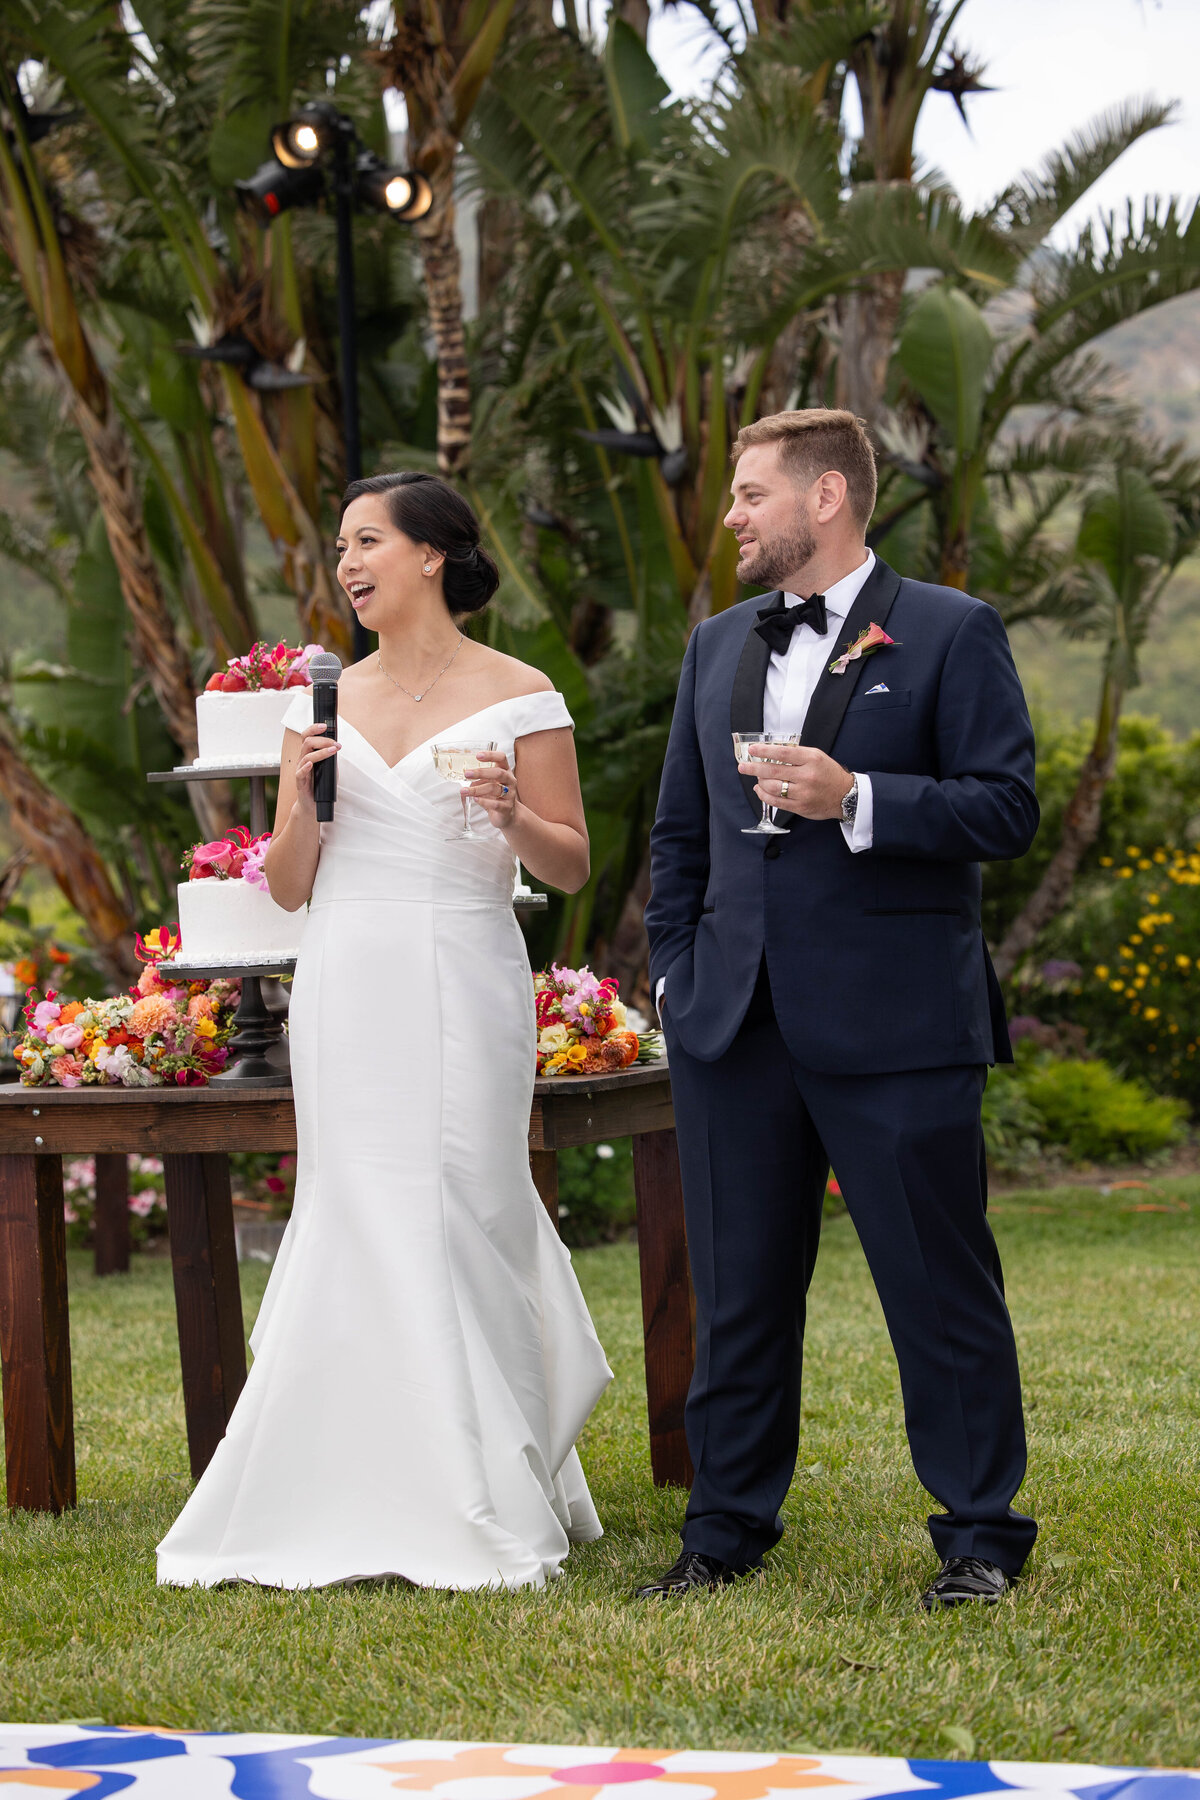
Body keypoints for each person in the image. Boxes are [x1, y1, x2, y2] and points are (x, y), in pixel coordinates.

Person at [157, 472, 611, 1591]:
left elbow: (570, 862)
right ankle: (345, 1474)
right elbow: (294, 887)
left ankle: (494, 1470)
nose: (348, 564)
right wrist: (300, 801)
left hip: (465, 965)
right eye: (342, 547)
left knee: (469, 1196)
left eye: (369, 541)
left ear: (433, 554)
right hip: (347, 974)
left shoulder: (522, 693)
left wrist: (514, 814)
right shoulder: (321, 703)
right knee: (358, 1203)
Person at [640, 409, 1039, 1610]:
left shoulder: (952, 630)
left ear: (826, 497)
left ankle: (978, 1535)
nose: (732, 516)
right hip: (732, 1024)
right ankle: (724, 1531)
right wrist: (677, 974)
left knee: (937, 1284)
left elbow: (1005, 809)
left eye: (751, 494)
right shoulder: (716, 646)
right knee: (742, 1287)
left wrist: (858, 794)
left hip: (899, 1022)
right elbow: (678, 838)